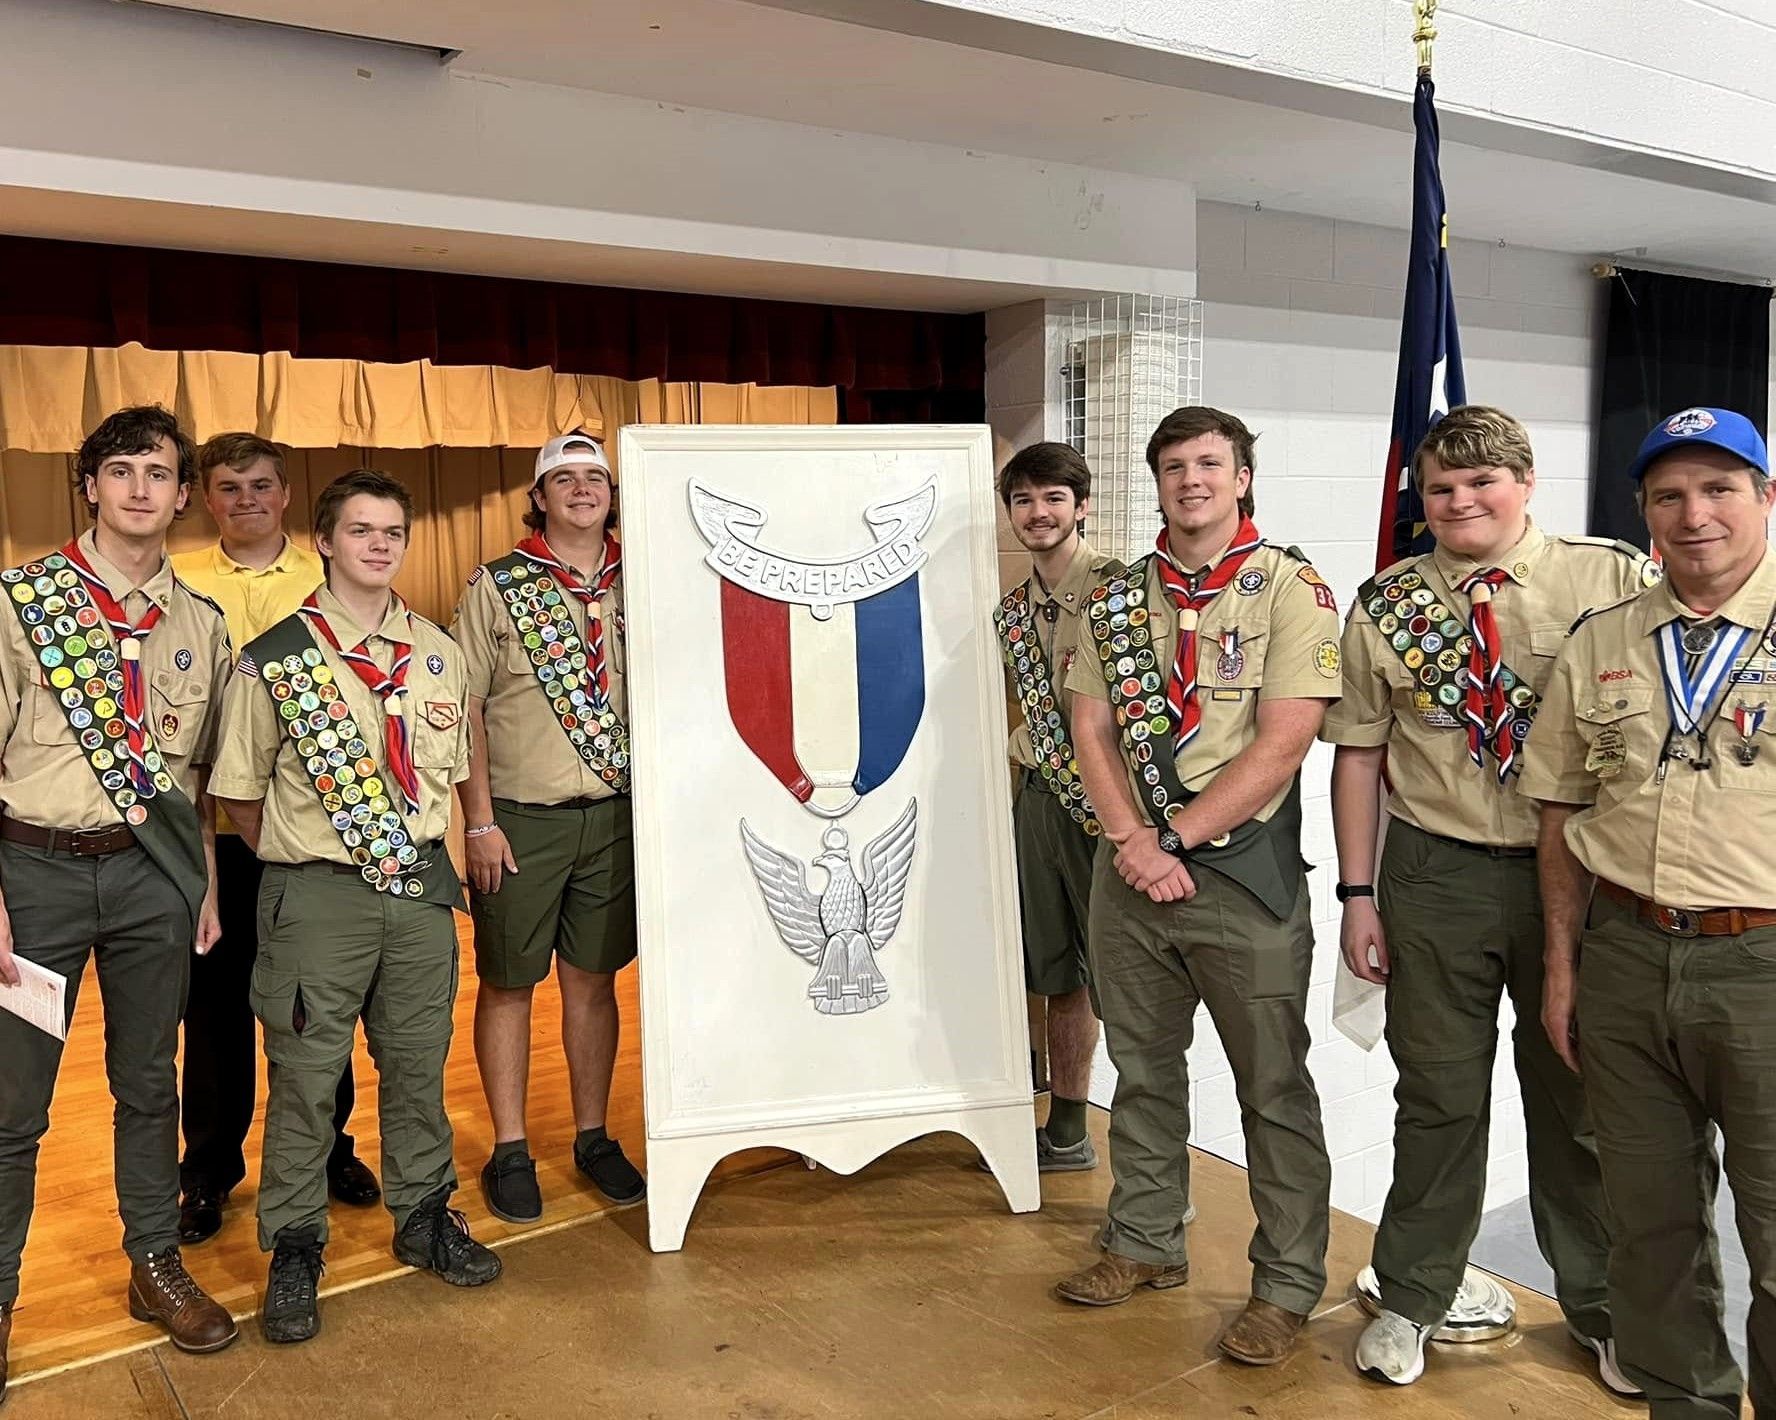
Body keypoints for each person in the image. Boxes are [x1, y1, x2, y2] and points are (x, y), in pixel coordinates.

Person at [1323, 404, 1653, 1390]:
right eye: (1442, 488)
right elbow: (1359, 755)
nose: (1462, 501)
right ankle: (1415, 1293)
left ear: (1526, 482)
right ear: (1421, 499)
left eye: (1483, 482)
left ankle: (1602, 1309)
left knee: (1581, 1099)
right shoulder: (1390, 603)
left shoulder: (1611, 577)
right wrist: (1357, 892)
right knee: (1436, 1097)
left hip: (1582, 873)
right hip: (1438, 873)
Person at [1055, 405, 1336, 1366]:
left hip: (1241, 880)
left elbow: (1284, 740)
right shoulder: (1122, 599)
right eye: (1174, 467)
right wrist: (1133, 839)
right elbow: (1089, 726)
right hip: (1128, 873)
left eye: (1210, 464)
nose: (1192, 481)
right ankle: (1144, 1241)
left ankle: (1289, 1284)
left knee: (1273, 1088)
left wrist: (1172, 834)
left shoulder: (1290, 590)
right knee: (1141, 1072)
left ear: (1243, 476)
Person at [1521, 406, 1776, 1418]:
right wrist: (1562, 966)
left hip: (1763, 964)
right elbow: (1560, 810)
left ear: (1765, 498)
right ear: (1644, 512)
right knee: (1650, 1231)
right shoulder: (1605, 640)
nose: (1694, 513)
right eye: (1669, 494)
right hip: (1625, 956)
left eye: (1719, 488)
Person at [211, 468, 500, 1344]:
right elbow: (241, 796)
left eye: (393, 533)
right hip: (319, 897)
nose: (380, 545)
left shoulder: (440, 653)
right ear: (327, 541)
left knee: (418, 1067)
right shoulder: (276, 657)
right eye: (362, 530)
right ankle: (295, 1243)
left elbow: (448, 777)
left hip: (416, 894)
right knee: (305, 1081)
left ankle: (424, 1213)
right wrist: (309, 862)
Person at [0, 406, 239, 1397]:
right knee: (14, 1107)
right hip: (34, 877)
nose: (141, 487)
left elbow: (200, 782)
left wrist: (206, 886)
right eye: (122, 469)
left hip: (152, 878)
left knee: (150, 1082)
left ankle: (152, 1259)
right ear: (90, 485)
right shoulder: (20, 602)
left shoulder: (202, 624)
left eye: (160, 472)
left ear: (184, 495)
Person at [171, 433, 377, 1247]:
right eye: (229, 487)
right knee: (215, 1016)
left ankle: (329, 1151)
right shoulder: (179, 581)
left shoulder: (327, 578)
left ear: (288, 496)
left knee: (318, 1008)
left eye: (261, 485)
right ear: (206, 497)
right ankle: (208, 1172)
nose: (247, 499)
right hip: (215, 838)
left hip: (311, 831)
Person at [449, 432, 644, 1224]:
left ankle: (593, 1136)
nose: (581, 489)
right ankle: (510, 1145)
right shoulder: (499, 586)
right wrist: (479, 821)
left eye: (593, 477)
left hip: (617, 814)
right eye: (563, 479)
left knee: (594, 983)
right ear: (539, 497)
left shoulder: (648, 573)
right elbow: (464, 707)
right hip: (522, 822)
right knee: (507, 983)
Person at [992, 442, 1121, 1169]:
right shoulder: (1013, 612)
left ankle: (1143, 1140)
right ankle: (1066, 1126)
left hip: (1111, 813)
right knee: (1055, 971)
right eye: (1023, 501)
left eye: (1053, 499)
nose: (1038, 514)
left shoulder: (1122, 591)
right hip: (1041, 803)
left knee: (1123, 976)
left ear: (1082, 505)